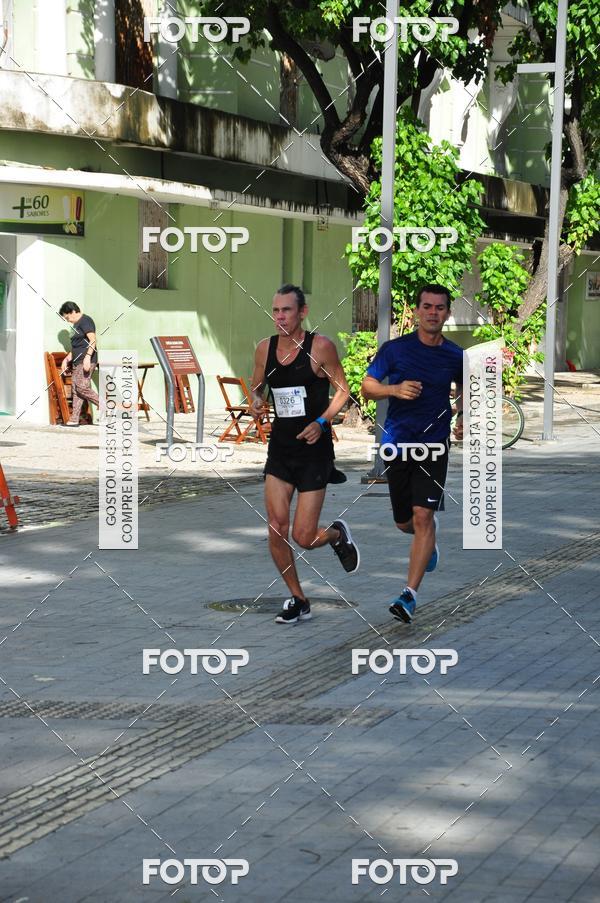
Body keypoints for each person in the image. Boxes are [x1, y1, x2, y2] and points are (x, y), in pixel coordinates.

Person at [250, 284, 360, 625]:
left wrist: (323, 422)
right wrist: (256, 402)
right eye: (276, 310)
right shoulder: (264, 349)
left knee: (304, 536)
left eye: (286, 310)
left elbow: (343, 390)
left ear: (302, 313)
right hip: (280, 450)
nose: (280, 316)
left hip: (314, 452)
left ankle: (337, 534)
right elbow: (257, 387)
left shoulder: (320, 347)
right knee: (276, 527)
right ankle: (298, 598)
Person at [361, 284, 464, 624]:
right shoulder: (395, 350)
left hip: (434, 445)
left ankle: (409, 595)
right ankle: (429, 539)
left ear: (447, 313)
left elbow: (467, 390)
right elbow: (367, 386)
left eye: (439, 307)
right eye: (427, 306)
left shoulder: (455, 355)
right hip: (398, 442)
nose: (433, 312)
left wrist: (464, 416)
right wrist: (394, 389)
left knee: (422, 515)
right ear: (417, 311)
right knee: (405, 521)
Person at [58, 302, 99, 427]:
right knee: (77, 390)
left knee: (82, 388)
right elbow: (77, 346)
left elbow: (93, 340)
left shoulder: (85, 321)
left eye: (67, 317)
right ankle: (74, 419)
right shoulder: (76, 325)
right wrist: (66, 359)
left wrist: (87, 357)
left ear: (73, 311)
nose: (68, 320)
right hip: (77, 361)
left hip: (86, 360)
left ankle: (109, 407)